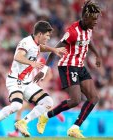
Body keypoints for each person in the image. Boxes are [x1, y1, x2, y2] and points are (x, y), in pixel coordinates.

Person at [0, 20, 66, 138]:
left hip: (27, 82)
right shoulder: (26, 42)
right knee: (16, 106)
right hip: (15, 81)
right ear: (39, 34)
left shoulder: (35, 44)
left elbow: (41, 48)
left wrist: (54, 50)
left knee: (48, 102)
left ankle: (23, 122)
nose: (48, 38)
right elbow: (18, 56)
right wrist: (32, 63)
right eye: (47, 35)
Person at [34, 1, 101, 138]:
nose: (95, 22)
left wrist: (97, 54)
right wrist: (44, 70)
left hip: (80, 66)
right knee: (75, 100)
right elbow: (55, 50)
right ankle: (45, 117)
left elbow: (88, 41)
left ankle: (75, 128)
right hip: (68, 66)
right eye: (93, 20)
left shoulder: (88, 28)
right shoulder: (72, 32)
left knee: (94, 98)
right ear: (86, 18)